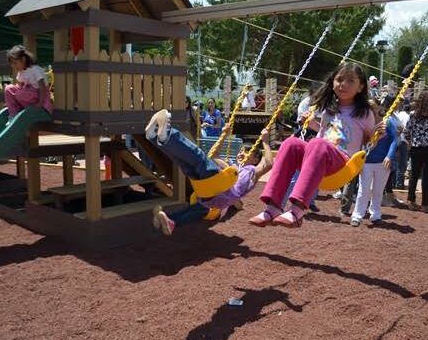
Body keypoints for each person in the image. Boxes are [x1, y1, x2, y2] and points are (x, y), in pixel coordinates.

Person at [249, 62, 382, 228]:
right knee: (291, 143)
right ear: (332, 82)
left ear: (361, 86)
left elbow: (366, 141)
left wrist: (377, 135)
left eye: (350, 81)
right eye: (339, 79)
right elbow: (327, 134)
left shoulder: (364, 113)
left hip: (342, 162)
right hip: (320, 155)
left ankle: (297, 210)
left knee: (317, 143)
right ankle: (273, 207)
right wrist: (312, 124)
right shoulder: (328, 109)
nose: (343, 84)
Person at [148, 109, 273, 235]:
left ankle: (167, 134)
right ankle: (153, 137)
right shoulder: (232, 167)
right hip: (208, 195)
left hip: (216, 190)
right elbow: (213, 155)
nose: (241, 153)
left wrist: (266, 142)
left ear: (256, 159)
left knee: (198, 157)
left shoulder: (252, 172)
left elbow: (268, 164)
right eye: (240, 150)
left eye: (246, 151)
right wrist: (224, 135)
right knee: (184, 162)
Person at [350, 98, 398, 227]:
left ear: (378, 107)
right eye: (368, 107)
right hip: (366, 161)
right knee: (363, 190)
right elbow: (358, 140)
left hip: (382, 162)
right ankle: (357, 215)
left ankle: (375, 214)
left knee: (378, 190)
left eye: (373, 106)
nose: (371, 109)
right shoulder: (364, 123)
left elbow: (394, 140)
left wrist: (389, 156)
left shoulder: (388, 122)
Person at [404, 90, 428, 212]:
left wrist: (411, 142)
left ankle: (411, 201)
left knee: (414, 175)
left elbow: (407, 132)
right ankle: (425, 204)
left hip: (416, 148)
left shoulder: (413, 114)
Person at [4, 45, 53, 120]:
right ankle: (13, 114)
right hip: (27, 94)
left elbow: (42, 87)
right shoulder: (21, 72)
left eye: (15, 63)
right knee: (8, 88)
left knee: (20, 94)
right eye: (11, 64)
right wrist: (10, 100)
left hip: (38, 95)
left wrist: (40, 103)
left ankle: (23, 106)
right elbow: (19, 86)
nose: (13, 66)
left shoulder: (35, 70)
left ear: (23, 59)